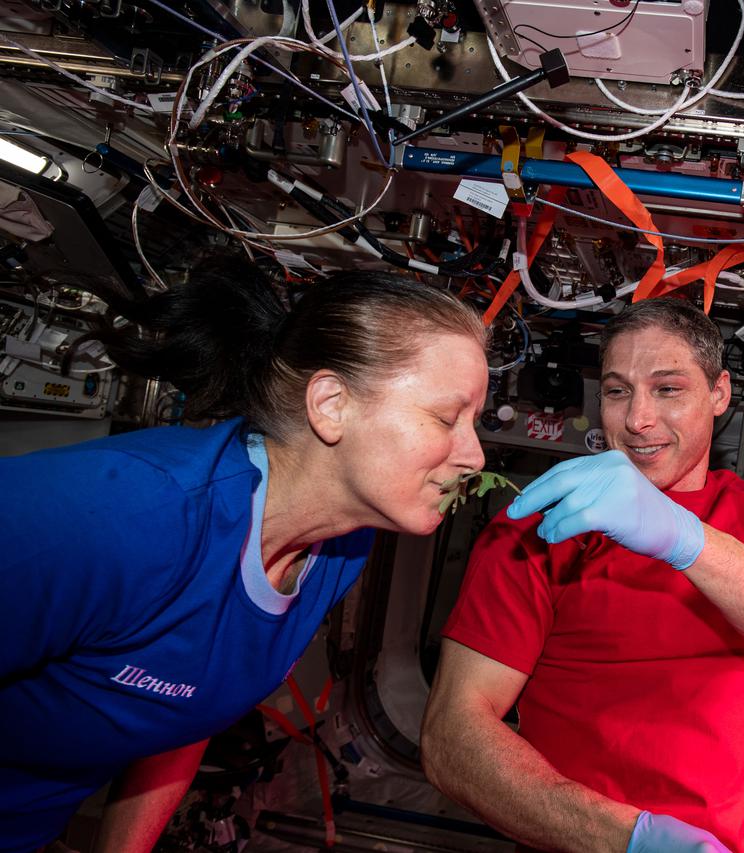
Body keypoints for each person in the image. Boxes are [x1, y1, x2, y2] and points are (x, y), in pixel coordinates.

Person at [0, 259, 490, 853]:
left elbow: (189, 703)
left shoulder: (340, 549)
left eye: (476, 423)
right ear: (331, 404)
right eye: (446, 417)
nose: (475, 456)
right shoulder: (123, 516)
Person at [421, 297, 744, 853]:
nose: (636, 420)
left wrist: (684, 538)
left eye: (668, 389)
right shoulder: (544, 522)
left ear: (719, 393)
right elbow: (450, 737)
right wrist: (629, 840)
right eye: (617, 390)